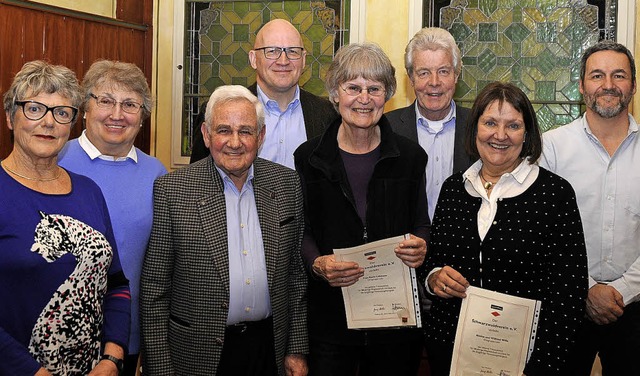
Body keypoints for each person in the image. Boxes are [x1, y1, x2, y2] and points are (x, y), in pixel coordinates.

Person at [422, 82, 588, 376]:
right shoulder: (454, 189)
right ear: (475, 129)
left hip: (526, 362)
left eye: (513, 125)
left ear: (527, 134)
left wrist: (541, 366)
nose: (500, 135)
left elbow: (568, 294)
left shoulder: (554, 194)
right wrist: (435, 278)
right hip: (451, 355)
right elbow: (433, 261)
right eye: (490, 123)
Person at [140, 85, 308, 375]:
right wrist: (160, 369)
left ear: (261, 136)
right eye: (223, 130)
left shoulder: (287, 184)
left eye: (245, 131)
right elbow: (155, 290)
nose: (234, 142)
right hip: (197, 354)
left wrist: (296, 348)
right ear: (206, 135)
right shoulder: (173, 190)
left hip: (268, 348)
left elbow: (295, 276)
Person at [294, 42, 429, 376]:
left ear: (388, 95)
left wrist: (421, 246)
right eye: (353, 87)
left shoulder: (411, 157)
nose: (364, 98)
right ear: (335, 93)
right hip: (330, 319)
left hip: (394, 321)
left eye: (374, 88)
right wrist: (318, 263)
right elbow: (302, 230)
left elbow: (421, 223)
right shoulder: (308, 158)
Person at [0, 61, 131, 375]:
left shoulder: (87, 191)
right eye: (34, 109)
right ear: (9, 117)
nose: (48, 123)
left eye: (61, 113)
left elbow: (116, 284)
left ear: (72, 122)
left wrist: (112, 357)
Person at [57, 60, 167, 375]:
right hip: (58, 337)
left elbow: (161, 267)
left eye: (130, 104)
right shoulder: (56, 161)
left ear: (143, 116)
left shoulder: (157, 175)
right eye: (105, 101)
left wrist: (151, 341)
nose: (117, 114)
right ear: (85, 108)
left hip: (129, 339)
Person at [539, 41, 640, 375]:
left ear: (633, 86)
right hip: (565, 304)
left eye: (619, 75)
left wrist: (621, 291)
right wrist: (586, 288)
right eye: (597, 75)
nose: (608, 84)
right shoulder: (551, 148)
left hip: (636, 307)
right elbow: (541, 232)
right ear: (581, 86)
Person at [190, 18, 337, 166]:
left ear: (303, 60)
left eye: (292, 51)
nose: (283, 61)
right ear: (253, 59)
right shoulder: (217, 112)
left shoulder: (328, 115)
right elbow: (199, 179)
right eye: (272, 51)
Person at [386, 27, 474, 221]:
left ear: (456, 75)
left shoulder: (479, 128)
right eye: (424, 73)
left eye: (443, 71)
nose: (434, 82)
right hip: (405, 246)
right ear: (411, 78)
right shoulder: (386, 129)